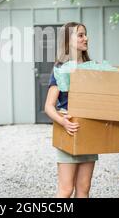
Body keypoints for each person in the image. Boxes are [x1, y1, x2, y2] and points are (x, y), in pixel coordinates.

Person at [44, 22, 98, 198]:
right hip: (69, 132)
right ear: (68, 40)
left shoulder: (94, 67)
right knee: (66, 190)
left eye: (85, 34)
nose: (86, 38)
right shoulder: (61, 68)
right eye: (80, 35)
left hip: (89, 132)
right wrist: (63, 122)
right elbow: (49, 106)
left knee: (84, 189)